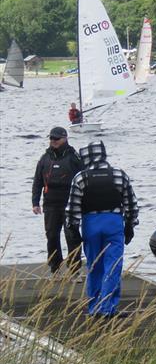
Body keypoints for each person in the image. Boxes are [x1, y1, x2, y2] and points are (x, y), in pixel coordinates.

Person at [65, 141, 138, 317]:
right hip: (113, 223)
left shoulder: (81, 178)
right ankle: (108, 308)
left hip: (90, 224)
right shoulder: (120, 175)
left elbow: (72, 209)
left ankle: (94, 307)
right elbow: (131, 205)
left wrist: (73, 231)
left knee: (94, 266)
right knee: (112, 266)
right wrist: (130, 226)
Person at [31, 127, 84, 277]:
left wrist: (85, 202)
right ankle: (55, 268)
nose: (53, 141)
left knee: (71, 236)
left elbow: (83, 180)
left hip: (70, 204)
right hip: (50, 204)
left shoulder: (74, 157)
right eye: (51, 139)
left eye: (56, 139)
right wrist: (35, 202)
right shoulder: (44, 158)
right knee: (52, 236)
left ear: (65, 138)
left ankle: (74, 269)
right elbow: (37, 181)